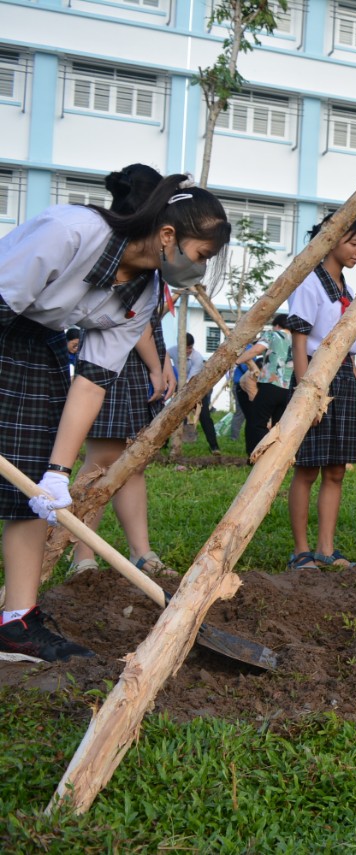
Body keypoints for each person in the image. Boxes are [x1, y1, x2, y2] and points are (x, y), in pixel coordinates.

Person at [0, 175, 230, 662]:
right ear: (167, 235)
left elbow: (93, 380)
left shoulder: (142, 298)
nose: (201, 266)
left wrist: (58, 473)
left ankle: (16, 620)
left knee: (29, 490)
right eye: (202, 253)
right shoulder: (71, 232)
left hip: (36, 343)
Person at [69, 164, 180, 580]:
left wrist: (164, 362)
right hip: (114, 368)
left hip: (137, 367)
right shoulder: (122, 247)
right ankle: (82, 556)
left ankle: (140, 552)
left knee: (132, 461)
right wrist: (156, 365)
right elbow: (129, 322)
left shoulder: (147, 249)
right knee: (100, 461)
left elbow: (151, 321)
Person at [284, 215, 356, 570]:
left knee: (336, 470)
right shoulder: (310, 284)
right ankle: (301, 551)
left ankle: (326, 548)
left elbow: (348, 352)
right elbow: (299, 343)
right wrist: (308, 395)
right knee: (306, 468)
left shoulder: (346, 289)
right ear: (331, 240)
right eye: (353, 243)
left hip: (345, 380)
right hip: (314, 378)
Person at [234, 314, 293, 456]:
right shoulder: (298, 339)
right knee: (278, 426)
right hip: (288, 388)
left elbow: (256, 350)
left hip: (270, 384)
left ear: (277, 325)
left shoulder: (272, 334)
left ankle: (255, 456)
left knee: (256, 422)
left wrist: (237, 360)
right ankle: (275, 457)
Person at [169, 333, 221, 454]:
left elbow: (190, 381)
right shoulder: (172, 351)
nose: (188, 351)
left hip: (197, 389)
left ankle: (214, 447)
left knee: (205, 417)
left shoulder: (197, 358)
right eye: (185, 348)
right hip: (179, 388)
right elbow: (163, 357)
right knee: (170, 416)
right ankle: (164, 444)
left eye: (190, 348)